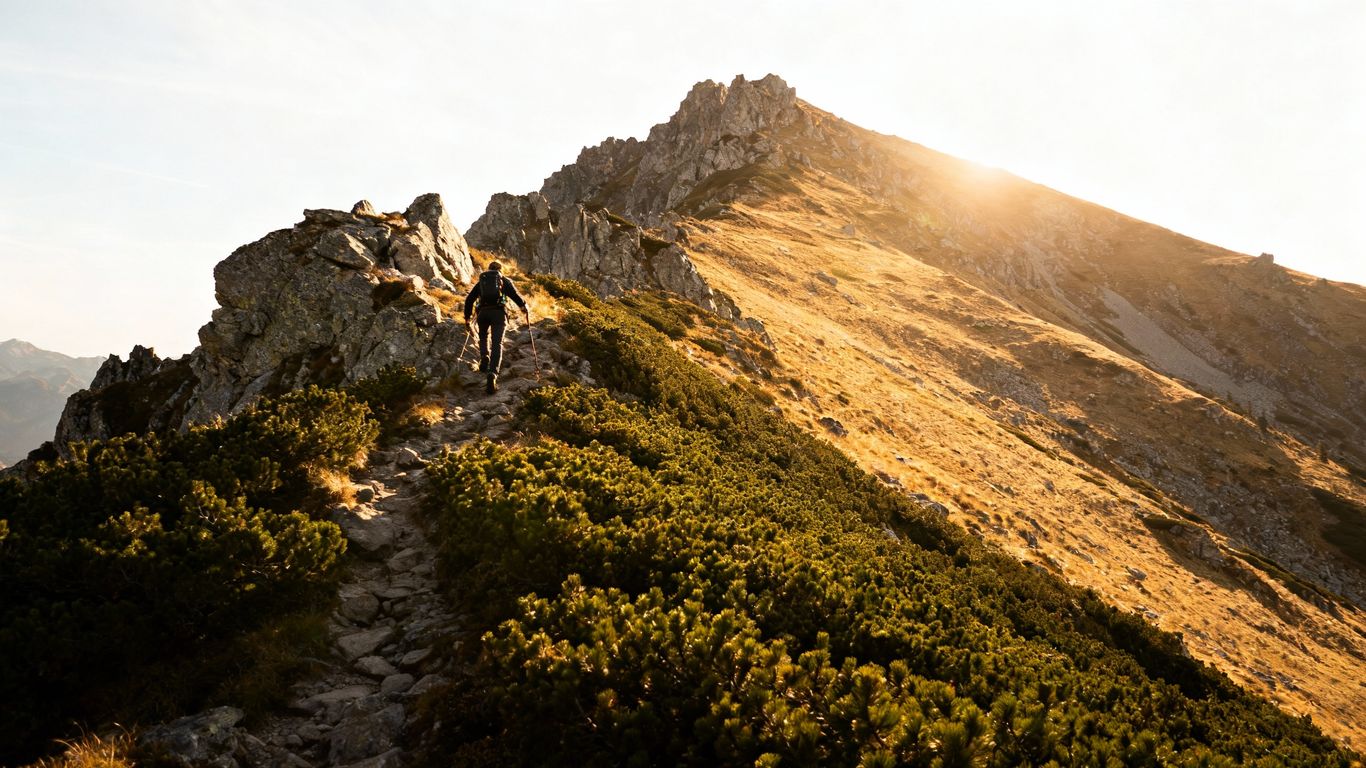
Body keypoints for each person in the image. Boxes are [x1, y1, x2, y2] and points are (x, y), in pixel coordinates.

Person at [463, 261, 528, 394]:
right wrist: (523, 307)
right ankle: (492, 373)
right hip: (499, 313)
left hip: (483, 314)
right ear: (500, 270)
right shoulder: (504, 280)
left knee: (483, 336)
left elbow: (469, 299)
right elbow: (515, 295)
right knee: (497, 343)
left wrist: (467, 317)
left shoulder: (482, 281)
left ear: (489, 269)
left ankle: (484, 357)